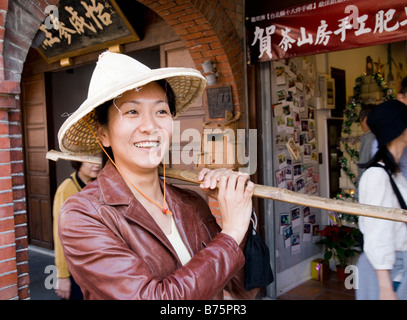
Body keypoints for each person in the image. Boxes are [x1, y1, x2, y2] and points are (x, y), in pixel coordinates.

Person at [56, 51, 258, 300]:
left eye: (161, 111)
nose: (150, 126)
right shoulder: (83, 215)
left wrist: (235, 204)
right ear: (103, 134)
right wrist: (231, 233)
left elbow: (239, 291)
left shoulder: (191, 202)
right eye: (131, 112)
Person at [356, 99, 407, 300]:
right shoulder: (377, 176)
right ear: (399, 130)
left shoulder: (395, 172)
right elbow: (378, 233)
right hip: (387, 275)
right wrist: (385, 288)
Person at [52, 157, 102, 299]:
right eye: (89, 159)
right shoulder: (66, 190)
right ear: (78, 162)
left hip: (97, 264)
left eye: (98, 158)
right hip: (76, 266)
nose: (95, 164)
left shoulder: (99, 184)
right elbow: (60, 235)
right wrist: (62, 276)